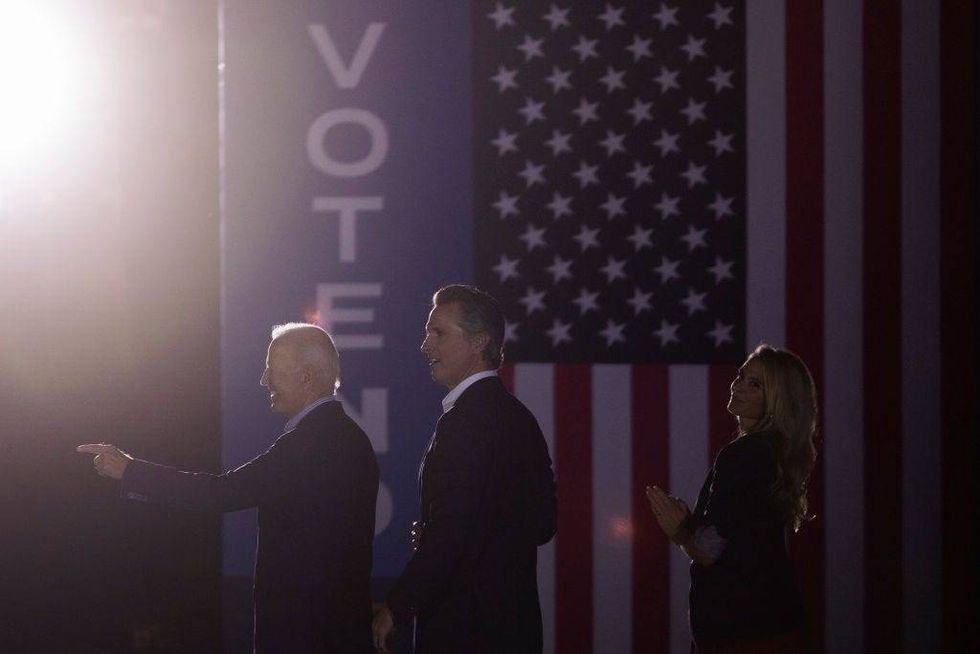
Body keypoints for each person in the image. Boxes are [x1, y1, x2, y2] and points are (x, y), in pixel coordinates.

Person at [78, 323, 379, 653]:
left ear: (306, 377)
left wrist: (131, 471)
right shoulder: (352, 439)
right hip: (340, 630)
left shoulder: (309, 443)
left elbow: (222, 492)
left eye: (273, 371)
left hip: (303, 634)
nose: (265, 381)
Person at [372, 284, 557, 654]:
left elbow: (452, 532)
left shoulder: (465, 422)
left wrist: (397, 606)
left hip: (464, 630)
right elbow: (542, 523)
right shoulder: (519, 418)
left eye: (438, 333)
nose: (425, 346)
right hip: (513, 629)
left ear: (479, 342)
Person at [646, 344, 816, 652]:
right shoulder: (771, 453)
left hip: (742, 633)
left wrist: (681, 531)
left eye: (756, 384)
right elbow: (742, 536)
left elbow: (711, 549)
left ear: (777, 401)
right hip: (772, 625)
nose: (739, 385)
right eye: (741, 376)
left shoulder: (744, 454)